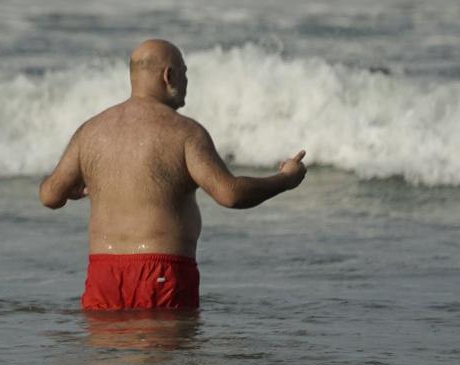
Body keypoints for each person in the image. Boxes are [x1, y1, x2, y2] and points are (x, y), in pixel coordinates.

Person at [38, 39, 308, 310]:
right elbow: (231, 194)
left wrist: (73, 189)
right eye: (185, 73)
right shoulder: (185, 132)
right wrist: (286, 179)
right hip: (161, 273)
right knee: (169, 352)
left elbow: (50, 195)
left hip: (103, 273)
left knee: (107, 351)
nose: (187, 82)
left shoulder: (91, 131)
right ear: (169, 75)